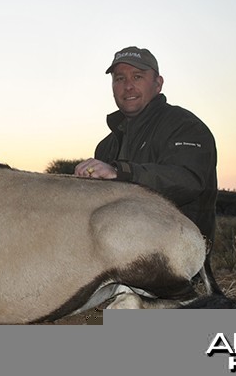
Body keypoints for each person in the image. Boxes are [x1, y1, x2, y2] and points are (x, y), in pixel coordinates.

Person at [74, 46, 220, 290]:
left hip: (174, 256)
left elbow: (188, 180)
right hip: (115, 254)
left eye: (137, 77)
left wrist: (122, 173)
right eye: (120, 79)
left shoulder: (185, 126)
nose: (128, 86)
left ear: (158, 83)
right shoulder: (107, 146)